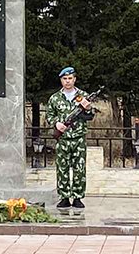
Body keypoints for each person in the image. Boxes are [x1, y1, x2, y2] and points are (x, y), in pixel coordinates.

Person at [46, 66, 95, 209]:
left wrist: (88, 108)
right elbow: (50, 116)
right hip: (63, 139)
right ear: (61, 80)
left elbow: (90, 116)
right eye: (64, 79)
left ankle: (78, 197)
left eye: (70, 78)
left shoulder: (83, 96)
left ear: (75, 79)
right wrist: (57, 124)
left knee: (79, 169)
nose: (67, 81)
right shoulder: (55, 98)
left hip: (78, 137)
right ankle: (65, 197)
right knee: (62, 169)